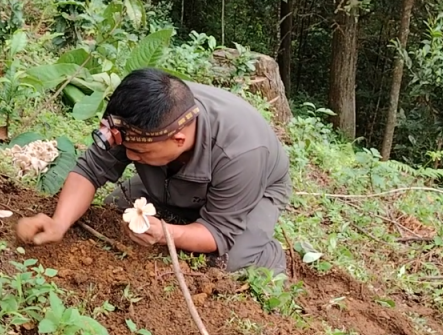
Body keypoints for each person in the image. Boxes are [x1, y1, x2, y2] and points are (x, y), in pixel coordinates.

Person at [15, 67, 292, 275]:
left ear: (178, 140)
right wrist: (59, 223)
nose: (130, 157)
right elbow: (91, 169)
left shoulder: (242, 152)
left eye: (140, 153)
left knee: (228, 260)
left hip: (256, 187)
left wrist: (166, 234)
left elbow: (218, 231)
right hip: (173, 172)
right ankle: (182, 211)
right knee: (114, 211)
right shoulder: (140, 121)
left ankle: (267, 254)